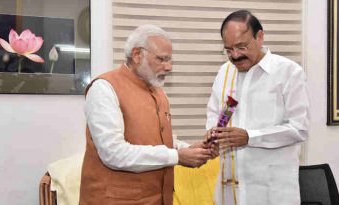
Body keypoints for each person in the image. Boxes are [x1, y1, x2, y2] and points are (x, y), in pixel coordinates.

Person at [79, 25, 215, 205]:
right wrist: (178, 156)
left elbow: (158, 140)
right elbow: (113, 153)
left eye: (170, 59)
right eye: (162, 59)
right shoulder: (104, 88)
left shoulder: (158, 92)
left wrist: (190, 149)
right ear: (137, 55)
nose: (169, 67)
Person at [205, 10, 310, 204]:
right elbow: (215, 113)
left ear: (260, 36)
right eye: (228, 50)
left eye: (241, 47)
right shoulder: (224, 72)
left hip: (271, 193)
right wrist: (213, 135)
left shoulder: (288, 72)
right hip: (229, 192)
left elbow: (299, 128)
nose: (235, 55)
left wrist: (249, 137)